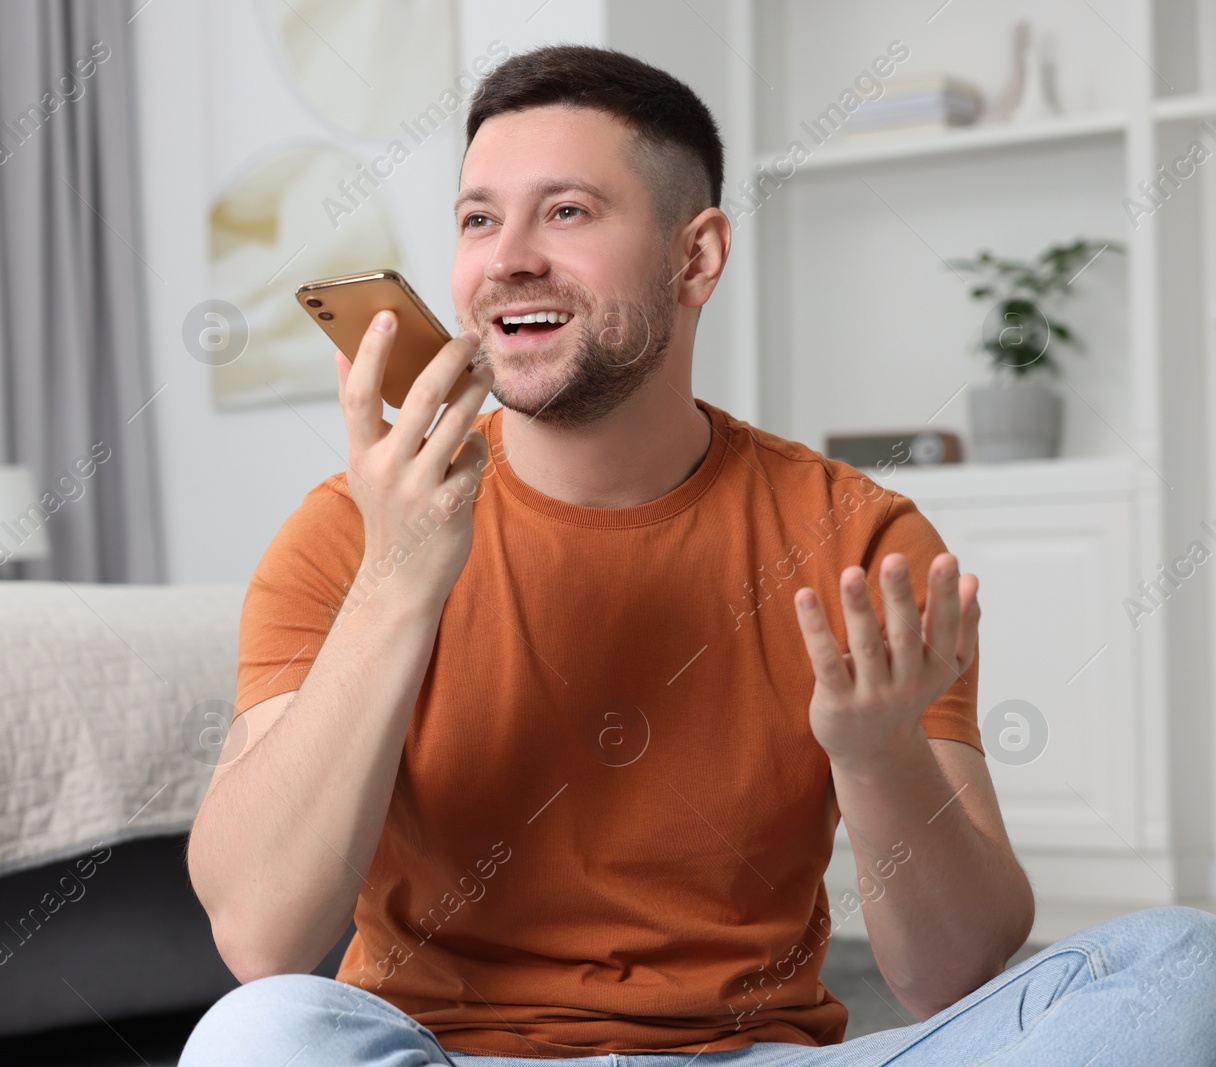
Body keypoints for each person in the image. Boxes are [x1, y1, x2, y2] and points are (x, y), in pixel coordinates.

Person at [180, 44, 1216, 1065]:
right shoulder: (346, 529)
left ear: (696, 256)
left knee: (1182, 962)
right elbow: (261, 941)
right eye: (478, 217)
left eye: (568, 210)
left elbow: (950, 976)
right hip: (444, 1055)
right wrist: (398, 576)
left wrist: (877, 754)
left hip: (752, 1055)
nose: (506, 257)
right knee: (256, 1036)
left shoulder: (858, 537)